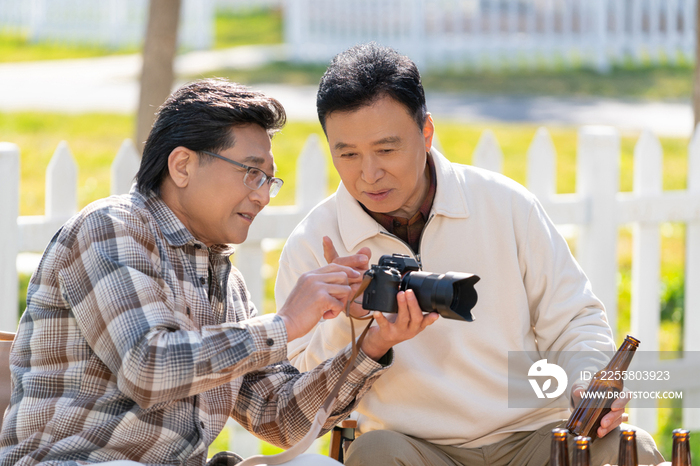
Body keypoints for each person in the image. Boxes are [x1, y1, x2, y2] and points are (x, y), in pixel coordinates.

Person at [0, 79, 436, 466]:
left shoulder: (224, 279)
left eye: (269, 179)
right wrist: (283, 325)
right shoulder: (112, 228)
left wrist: (373, 344)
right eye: (251, 173)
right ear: (183, 166)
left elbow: (278, 416)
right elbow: (147, 366)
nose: (263, 196)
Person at [274, 43, 665, 466]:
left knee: (633, 450)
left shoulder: (505, 204)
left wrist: (586, 379)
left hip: (531, 436)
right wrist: (347, 322)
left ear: (426, 133)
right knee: (374, 454)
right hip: (413, 447)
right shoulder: (315, 242)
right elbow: (302, 401)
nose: (368, 173)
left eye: (386, 150)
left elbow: (573, 319)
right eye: (346, 154)